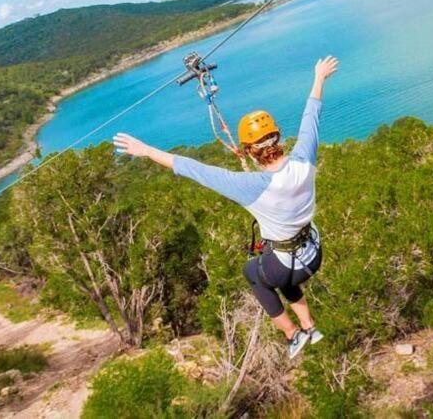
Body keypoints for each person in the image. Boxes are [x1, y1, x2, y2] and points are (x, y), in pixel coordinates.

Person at [113, 55, 339, 359]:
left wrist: (146, 150)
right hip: (314, 252)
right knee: (277, 271)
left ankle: (293, 334)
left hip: (287, 264)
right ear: (278, 137)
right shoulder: (304, 159)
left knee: (253, 272)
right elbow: (311, 117)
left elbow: (193, 168)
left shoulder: (249, 187)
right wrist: (319, 77)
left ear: (250, 151)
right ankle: (310, 326)